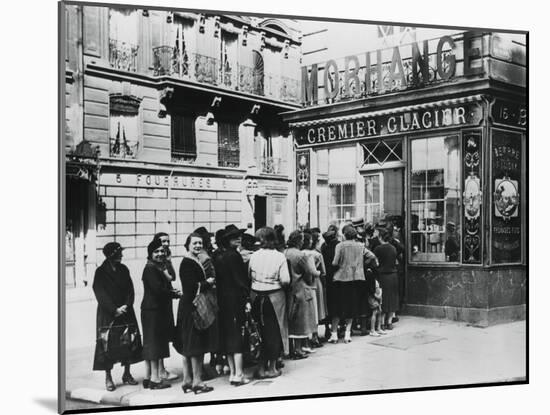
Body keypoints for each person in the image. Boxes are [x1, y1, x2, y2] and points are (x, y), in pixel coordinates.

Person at [92, 242, 142, 391]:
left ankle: (127, 373)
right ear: (111, 255)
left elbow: (130, 290)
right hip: (109, 314)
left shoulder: (124, 269)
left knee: (129, 341)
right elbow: (100, 292)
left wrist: (127, 305)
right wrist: (114, 309)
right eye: (118, 253)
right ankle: (108, 377)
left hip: (126, 312)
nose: (121, 255)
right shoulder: (100, 272)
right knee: (107, 343)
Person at [174, 233, 219, 394]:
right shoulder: (188, 262)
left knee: (188, 345)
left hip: (188, 306)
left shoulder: (192, 260)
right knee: (196, 345)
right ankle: (197, 381)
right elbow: (191, 287)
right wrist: (208, 282)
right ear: (188, 245)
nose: (198, 246)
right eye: (195, 243)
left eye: (200, 243)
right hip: (193, 307)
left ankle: (187, 380)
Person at [248, 227, 291, 378]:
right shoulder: (279, 257)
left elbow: (249, 275)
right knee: (274, 331)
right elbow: (285, 280)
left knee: (258, 332)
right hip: (275, 297)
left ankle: (260, 368)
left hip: (256, 296)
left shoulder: (254, 256)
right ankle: (272, 368)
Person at [213, 224, 252, 386]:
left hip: (222, 301)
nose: (239, 238)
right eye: (234, 237)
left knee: (228, 337)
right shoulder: (234, 256)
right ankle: (239, 374)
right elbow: (240, 281)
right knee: (237, 337)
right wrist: (247, 300)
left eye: (239, 236)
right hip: (235, 301)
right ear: (227, 240)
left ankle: (233, 373)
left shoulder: (219, 256)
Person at [141, 239, 182, 389]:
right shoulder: (150, 269)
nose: (160, 254)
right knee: (154, 344)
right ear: (150, 254)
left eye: (162, 251)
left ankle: (148, 377)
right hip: (153, 310)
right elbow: (158, 290)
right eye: (156, 252)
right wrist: (174, 294)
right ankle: (155, 380)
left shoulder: (157, 267)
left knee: (153, 343)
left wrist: (171, 292)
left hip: (155, 310)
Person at [329, 225, 368, 344]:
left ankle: (334, 335)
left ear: (344, 234)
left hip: (340, 278)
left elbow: (335, 262)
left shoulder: (340, 245)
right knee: (351, 307)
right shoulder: (360, 246)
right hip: (355, 278)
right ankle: (347, 334)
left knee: (337, 307)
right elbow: (371, 257)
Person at [285, 231, 319, 358]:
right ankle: (298, 349)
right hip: (300, 288)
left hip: (288, 289)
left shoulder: (285, 252)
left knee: (290, 320)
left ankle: (290, 348)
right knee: (301, 321)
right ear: (300, 241)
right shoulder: (300, 256)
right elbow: (308, 273)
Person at [302, 231, 327, 348]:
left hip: (303, 283)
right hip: (315, 282)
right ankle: (315, 336)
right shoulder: (317, 254)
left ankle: (305, 337)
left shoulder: (301, 253)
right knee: (316, 309)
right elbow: (323, 272)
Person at [373, 228, 400, 330]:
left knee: (383, 299)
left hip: (382, 276)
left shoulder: (378, 249)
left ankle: (382, 323)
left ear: (380, 237)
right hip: (393, 276)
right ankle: (389, 322)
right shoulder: (393, 248)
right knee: (392, 299)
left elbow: (375, 263)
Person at [320, 224, 340, 340]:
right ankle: (335, 328)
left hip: (326, 278)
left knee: (327, 304)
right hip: (336, 278)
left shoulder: (323, 247)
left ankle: (328, 327)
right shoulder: (338, 246)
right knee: (336, 304)